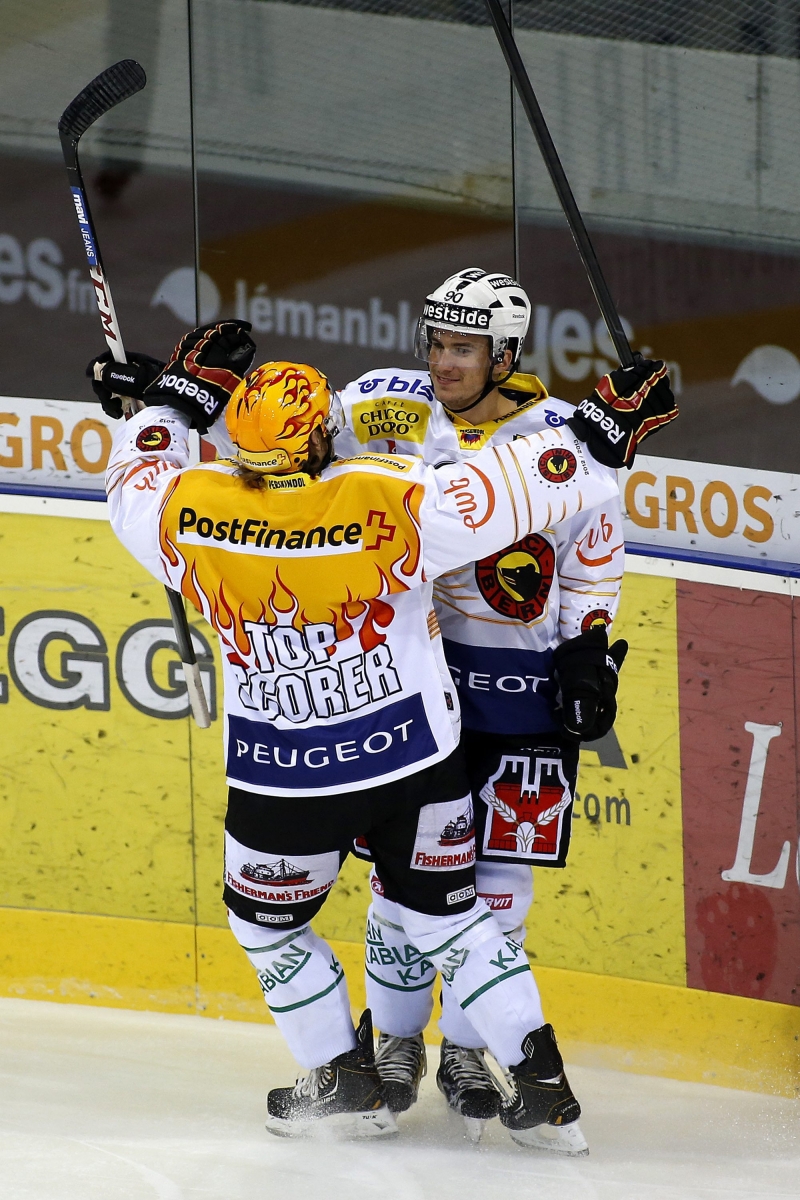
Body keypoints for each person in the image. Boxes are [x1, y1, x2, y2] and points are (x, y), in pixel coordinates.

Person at [93, 315, 673, 1143]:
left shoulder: (188, 512)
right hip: (415, 758)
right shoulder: (387, 498)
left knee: (266, 926)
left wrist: (172, 405)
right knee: (454, 918)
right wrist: (604, 429)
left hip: (285, 774)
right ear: (322, 436)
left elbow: (133, 476)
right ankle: (541, 1080)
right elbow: (523, 481)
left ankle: (341, 1076)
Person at [334, 269, 670, 1148]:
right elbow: (280, 439)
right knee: (400, 882)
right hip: (410, 685)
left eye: (463, 348)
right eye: (435, 343)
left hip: (521, 697)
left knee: (499, 893)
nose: (442, 362)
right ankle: (394, 1043)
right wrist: (163, 404)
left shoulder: (560, 436)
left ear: (506, 353)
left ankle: (468, 1048)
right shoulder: (380, 405)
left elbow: (594, 551)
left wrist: (587, 646)